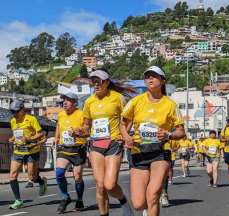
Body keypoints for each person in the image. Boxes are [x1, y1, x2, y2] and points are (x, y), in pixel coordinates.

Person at [120, 66, 185, 216]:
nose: (150, 79)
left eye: (154, 76)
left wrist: (168, 135)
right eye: (147, 76)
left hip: (160, 152)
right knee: (138, 203)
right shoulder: (136, 101)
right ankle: (146, 210)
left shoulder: (170, 104)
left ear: (162, 81)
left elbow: (181, 132)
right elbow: (122, 124)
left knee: (153, 195)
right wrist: (126, 137)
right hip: (138, 152)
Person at [82, 69, 134, 216]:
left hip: (113, 143)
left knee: (109, 185)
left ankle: (123, 200)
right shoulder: (89, 101)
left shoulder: (117, 98)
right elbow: (86, 126)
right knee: (100, 186)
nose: (96, 84)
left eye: (100, 81)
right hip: (96, 144)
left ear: (107, 82)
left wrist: (123, 135)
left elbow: (129, 118)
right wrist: (80, 131)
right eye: (94, 81)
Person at [8, 99, 47, 209]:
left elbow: (40, 134)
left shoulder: (31, 119)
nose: (14, 114)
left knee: (32, 177)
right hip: (18, 150)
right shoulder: (13, 121)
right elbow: (16, 135)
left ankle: (41, 182)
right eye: (12, 111)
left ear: (22, 109)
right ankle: (18, 201)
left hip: (31, 150)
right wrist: (12, 139)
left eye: (15, 111)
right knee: (12, 175)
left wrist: (29, 139)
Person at [54, 92, 87, 213]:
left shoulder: (81, 114)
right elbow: (58, 125)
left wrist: (79, 132)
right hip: (64, 148)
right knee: (59, 172)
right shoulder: (61, 114)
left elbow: (87, 129)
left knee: (77, 177)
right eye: (64, 100)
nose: (65, 102)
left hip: (78, 149)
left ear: (74, 103)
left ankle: (79, 199)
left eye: (68, 100)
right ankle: (65, 197)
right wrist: (56, 138)